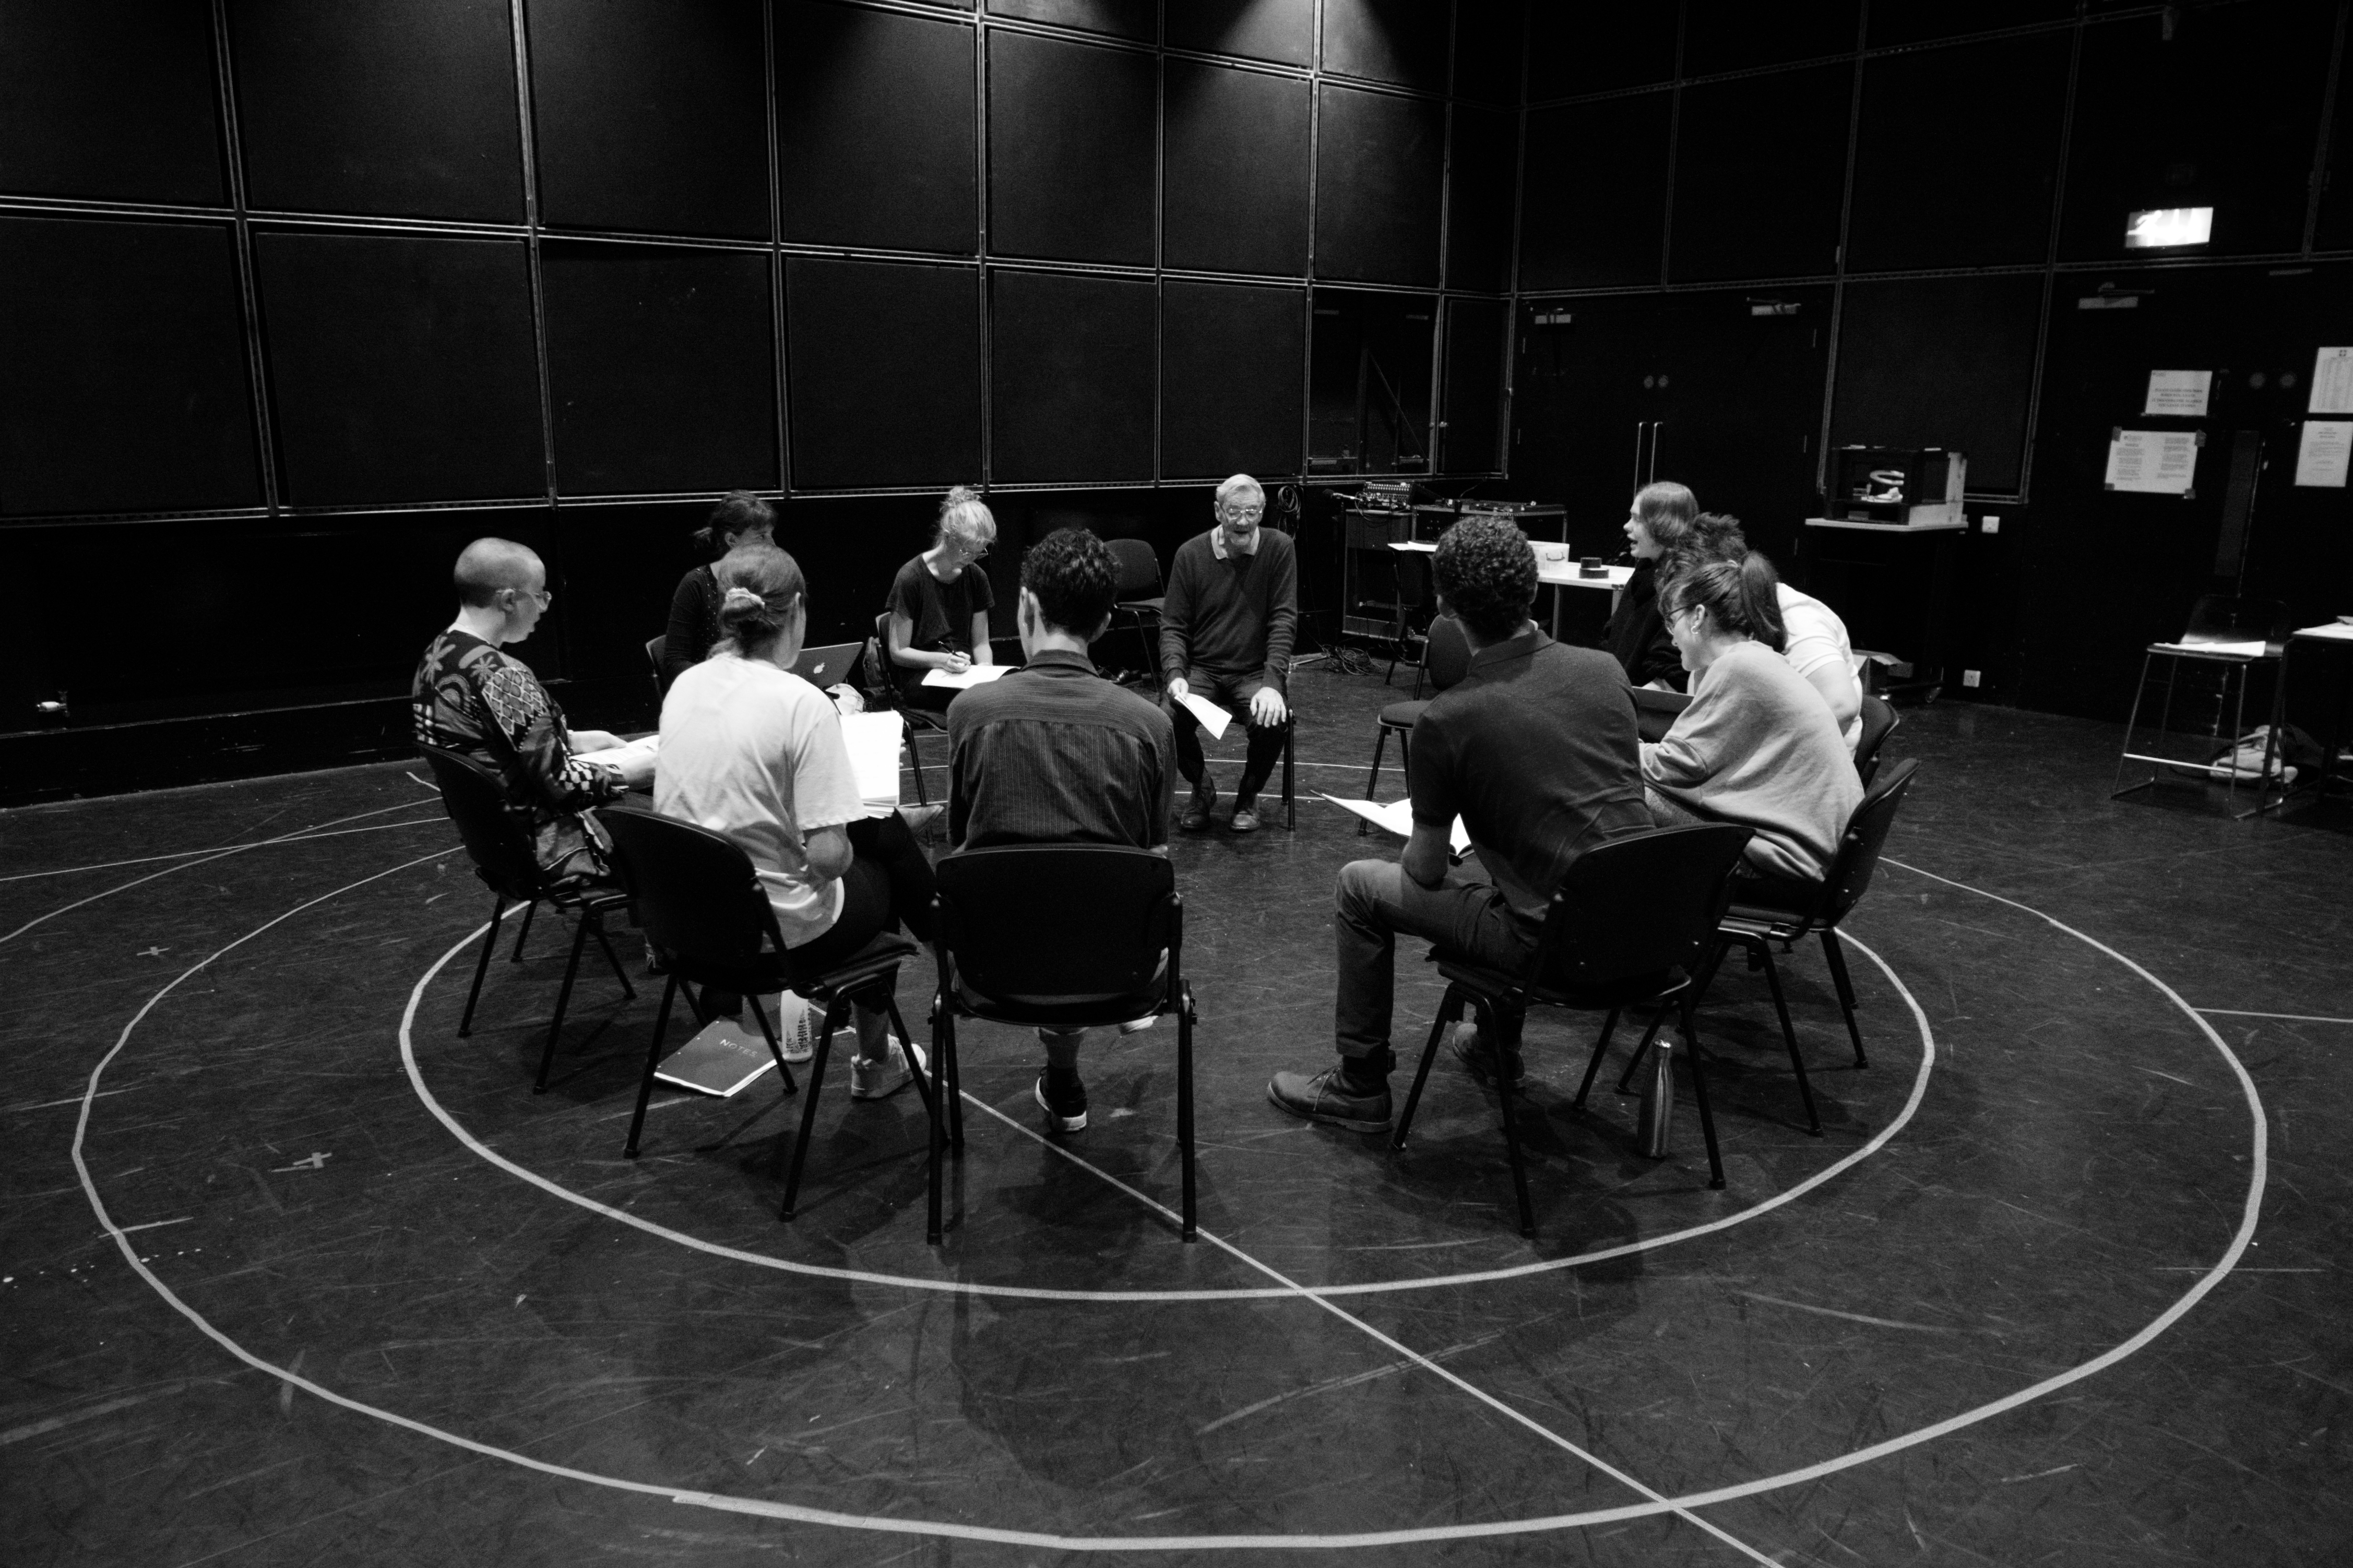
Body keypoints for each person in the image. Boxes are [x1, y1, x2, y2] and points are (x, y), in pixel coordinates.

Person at [1267, 517, 1653, 1131]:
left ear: (1443, 606)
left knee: (1359, 885)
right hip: (1646, 931)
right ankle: (1494, 1045)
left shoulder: (1447, 719)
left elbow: (1421, 870)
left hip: (1554, 950)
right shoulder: (1605, 671)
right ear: (1531, 590)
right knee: (1521, 868)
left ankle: (1359, 1084)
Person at [657, 544, 936, 1099]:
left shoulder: (685, 685)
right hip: (777, 940)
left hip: (690, 929)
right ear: (799, 609)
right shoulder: (801, 703)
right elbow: (829, 860)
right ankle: (878, 1057)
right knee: (879, 853)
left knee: (879, 834)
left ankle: (945, 965)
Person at [946, 528, 1176, 1132]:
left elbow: (960, 842)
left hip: (992, 963)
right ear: (1103, 623)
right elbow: (1154, 851)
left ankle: (1063, 1077)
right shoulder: (1149, 726)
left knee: (1037, 896)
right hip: (1116, 965)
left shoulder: (969, 715)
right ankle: (1072, 1068)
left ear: (1025, 605)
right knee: (1084, 894)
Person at [414, 537, 650, 886]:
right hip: (552, 847)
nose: (544, 606)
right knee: (691, 828)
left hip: (502, 849)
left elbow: (490, 742)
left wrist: (570, 740)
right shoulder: (503, 674)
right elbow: (565, 787)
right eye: (540, 594)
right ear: (509, 599)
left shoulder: (436, 656)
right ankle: (666, 936)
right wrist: (633, 770)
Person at [1641, 553, 1862, 884]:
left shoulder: (1738, 667)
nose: (1671, 636)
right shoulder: (1758, 659)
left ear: (1698, 617)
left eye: (1672, 621)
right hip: (1816, 855)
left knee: (1615, 786)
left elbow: (1677, 767)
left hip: (1785, 862)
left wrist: (1615, 747)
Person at [1159, 473, 1298, 833]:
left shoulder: (1280, 548)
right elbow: (1173, 625)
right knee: (1166, 721)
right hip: (1201, 670)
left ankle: (1248, 794)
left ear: (1263, 512)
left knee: (1273, 720)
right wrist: (1175, 673)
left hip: (1253, 672)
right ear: (1218, 510)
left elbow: (1284, 620)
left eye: (1252, 511)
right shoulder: (1190, 554)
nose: (1243, 521)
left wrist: (1272, 682)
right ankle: (1202, 787)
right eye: (1234, 511)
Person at [1682, 513, 1864, 752]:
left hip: (1804, 773)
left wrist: (1759, 760)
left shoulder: (1797, 618)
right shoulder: (1721, 620)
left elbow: (1841, 708)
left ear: (1729, 571)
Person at [885, 486, 997, 716]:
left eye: (979, 552)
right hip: (922, 676)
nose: (971, 558)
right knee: (972, 704)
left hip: (961, 672)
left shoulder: (977, 577)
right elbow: (899, 652)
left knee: (1004, 691)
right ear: (947, 537)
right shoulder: (911, 577)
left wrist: (985, 671)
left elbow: (981, 644)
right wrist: (942, 660)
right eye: (966, 550)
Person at [662, 491, 777, 691]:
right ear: (732, 540)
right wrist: (725, 686)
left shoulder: (766, 583)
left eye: (771, 535)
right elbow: (675, 662)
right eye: (762, 536)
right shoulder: (697, 583)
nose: (772, 544)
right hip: (710, 697)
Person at [1605, 481, 1702, 691]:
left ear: (1664, 526)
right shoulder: (1645, 571)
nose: (1627, 526)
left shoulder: (1681, 586)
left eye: (1637, 519)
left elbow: (1672, 676)